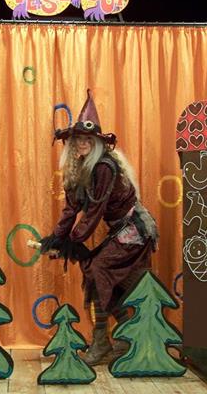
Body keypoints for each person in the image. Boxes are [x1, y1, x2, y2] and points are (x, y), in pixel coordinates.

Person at [41, 90, 158, 366]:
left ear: (96, 143)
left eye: (88, 139)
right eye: (78, 139)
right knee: (97, 274)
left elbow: (94, 212)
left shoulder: (104, 167)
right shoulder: (80, 169)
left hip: (135, 230)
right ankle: (122, 337)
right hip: (119, 230)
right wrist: (56, 239)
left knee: (97, 270)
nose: (82, 143)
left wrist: (72, 242)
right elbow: (71, 209)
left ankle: (106, 340)